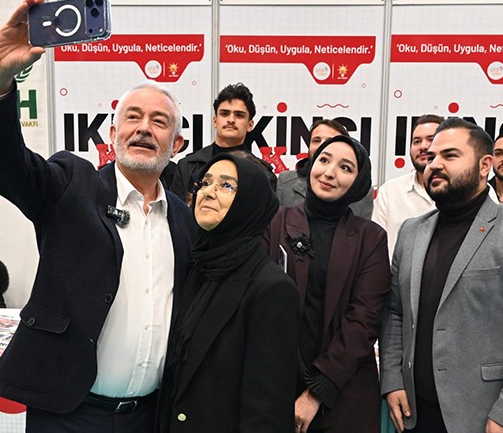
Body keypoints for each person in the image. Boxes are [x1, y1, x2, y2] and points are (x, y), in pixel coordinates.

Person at [0, 0, 196, 431]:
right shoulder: (71, 185)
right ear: (113, 133)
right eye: (133, 117)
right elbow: (3, 162)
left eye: (159, 121)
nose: (144, 127)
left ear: (176, 145)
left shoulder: (184, 220)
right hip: (69, 414)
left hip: (150, 417)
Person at [380, 117, 503, 433]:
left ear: (484, 165)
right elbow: (395, 311)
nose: (434, 164)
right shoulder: (411, 232)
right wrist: (392, 378)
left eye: (450, 155)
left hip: (485, 418)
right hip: (414, 414)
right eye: (431, 157)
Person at [158, 154, 299, 432]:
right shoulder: (198, 267)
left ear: (250, 202)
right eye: (205, 182)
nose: (208, 192)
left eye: (226, 186)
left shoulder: (272, 288)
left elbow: (267, 410)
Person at [265, 135, 390, 433]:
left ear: (358, 183)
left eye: (345, 167)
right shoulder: (274, 222)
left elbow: (364, 319)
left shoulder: (370, 238)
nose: (330, 172)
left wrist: (317, 391)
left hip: (345, 389)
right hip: (276, 384)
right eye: (324, 160)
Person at [170, 83, 264, 201]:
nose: (231, 120)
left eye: (239, 115)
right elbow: (176, 210)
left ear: (250, 125)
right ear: (215, 121)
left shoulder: (262, 172)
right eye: (225, 113)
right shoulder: (187, 167)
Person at [372, 114, 441, 255]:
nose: (423, 146)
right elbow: (374, 247)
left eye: (431, 139)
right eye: (416, 141)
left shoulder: (465, 190)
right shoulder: (390, 191)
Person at [278, 119, 374, 219]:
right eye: (316, 140)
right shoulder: (285, 182)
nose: (322, 146)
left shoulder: (363, 194)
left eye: (330, 141)